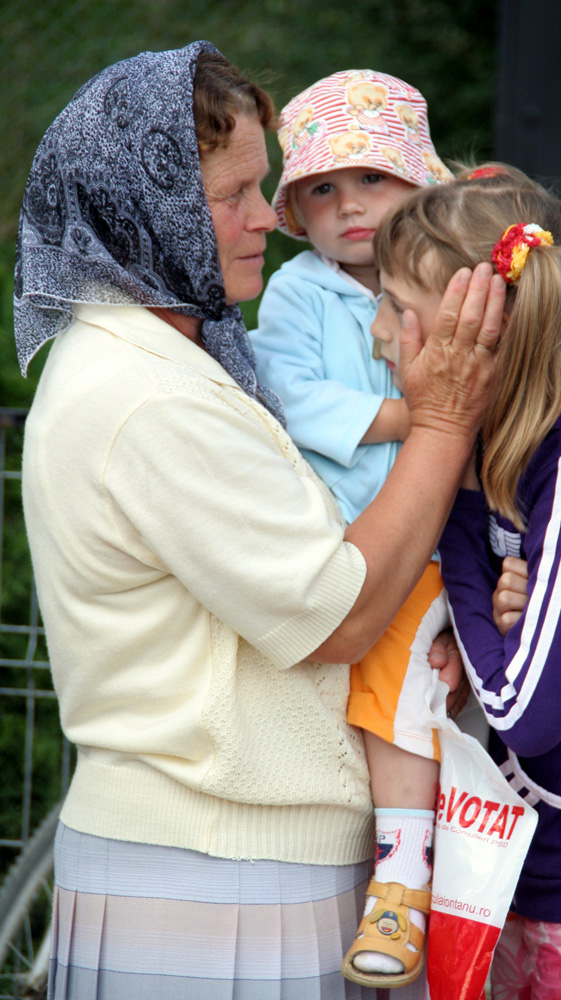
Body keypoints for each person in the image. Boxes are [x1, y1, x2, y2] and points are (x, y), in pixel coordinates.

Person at [16, 42, 506, 1000]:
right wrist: (445, 420)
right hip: (214, 879)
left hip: (229, 862)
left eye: (262, 186)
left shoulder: (179, 358)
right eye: (231, 194)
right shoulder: (150, 396)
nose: (263, 220)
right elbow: (337, 615)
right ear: (142, 204)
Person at [250, 73, 561, 989]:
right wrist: (430, 425)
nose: (347, 206)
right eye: (321, 188)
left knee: (434, 692)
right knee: (406, 688)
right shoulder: (301, 294)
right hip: (395, 542)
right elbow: (286, 392)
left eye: (372, 180)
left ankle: (406, 872)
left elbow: (524, 707)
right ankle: (406, 872)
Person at [371, 165, 561, 998]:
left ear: (477, 328)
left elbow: (524, 713)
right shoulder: (523, 461)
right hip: (532, 872)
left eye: (394, 306)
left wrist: (463, 522)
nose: (378, 332)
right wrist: (498, 625)